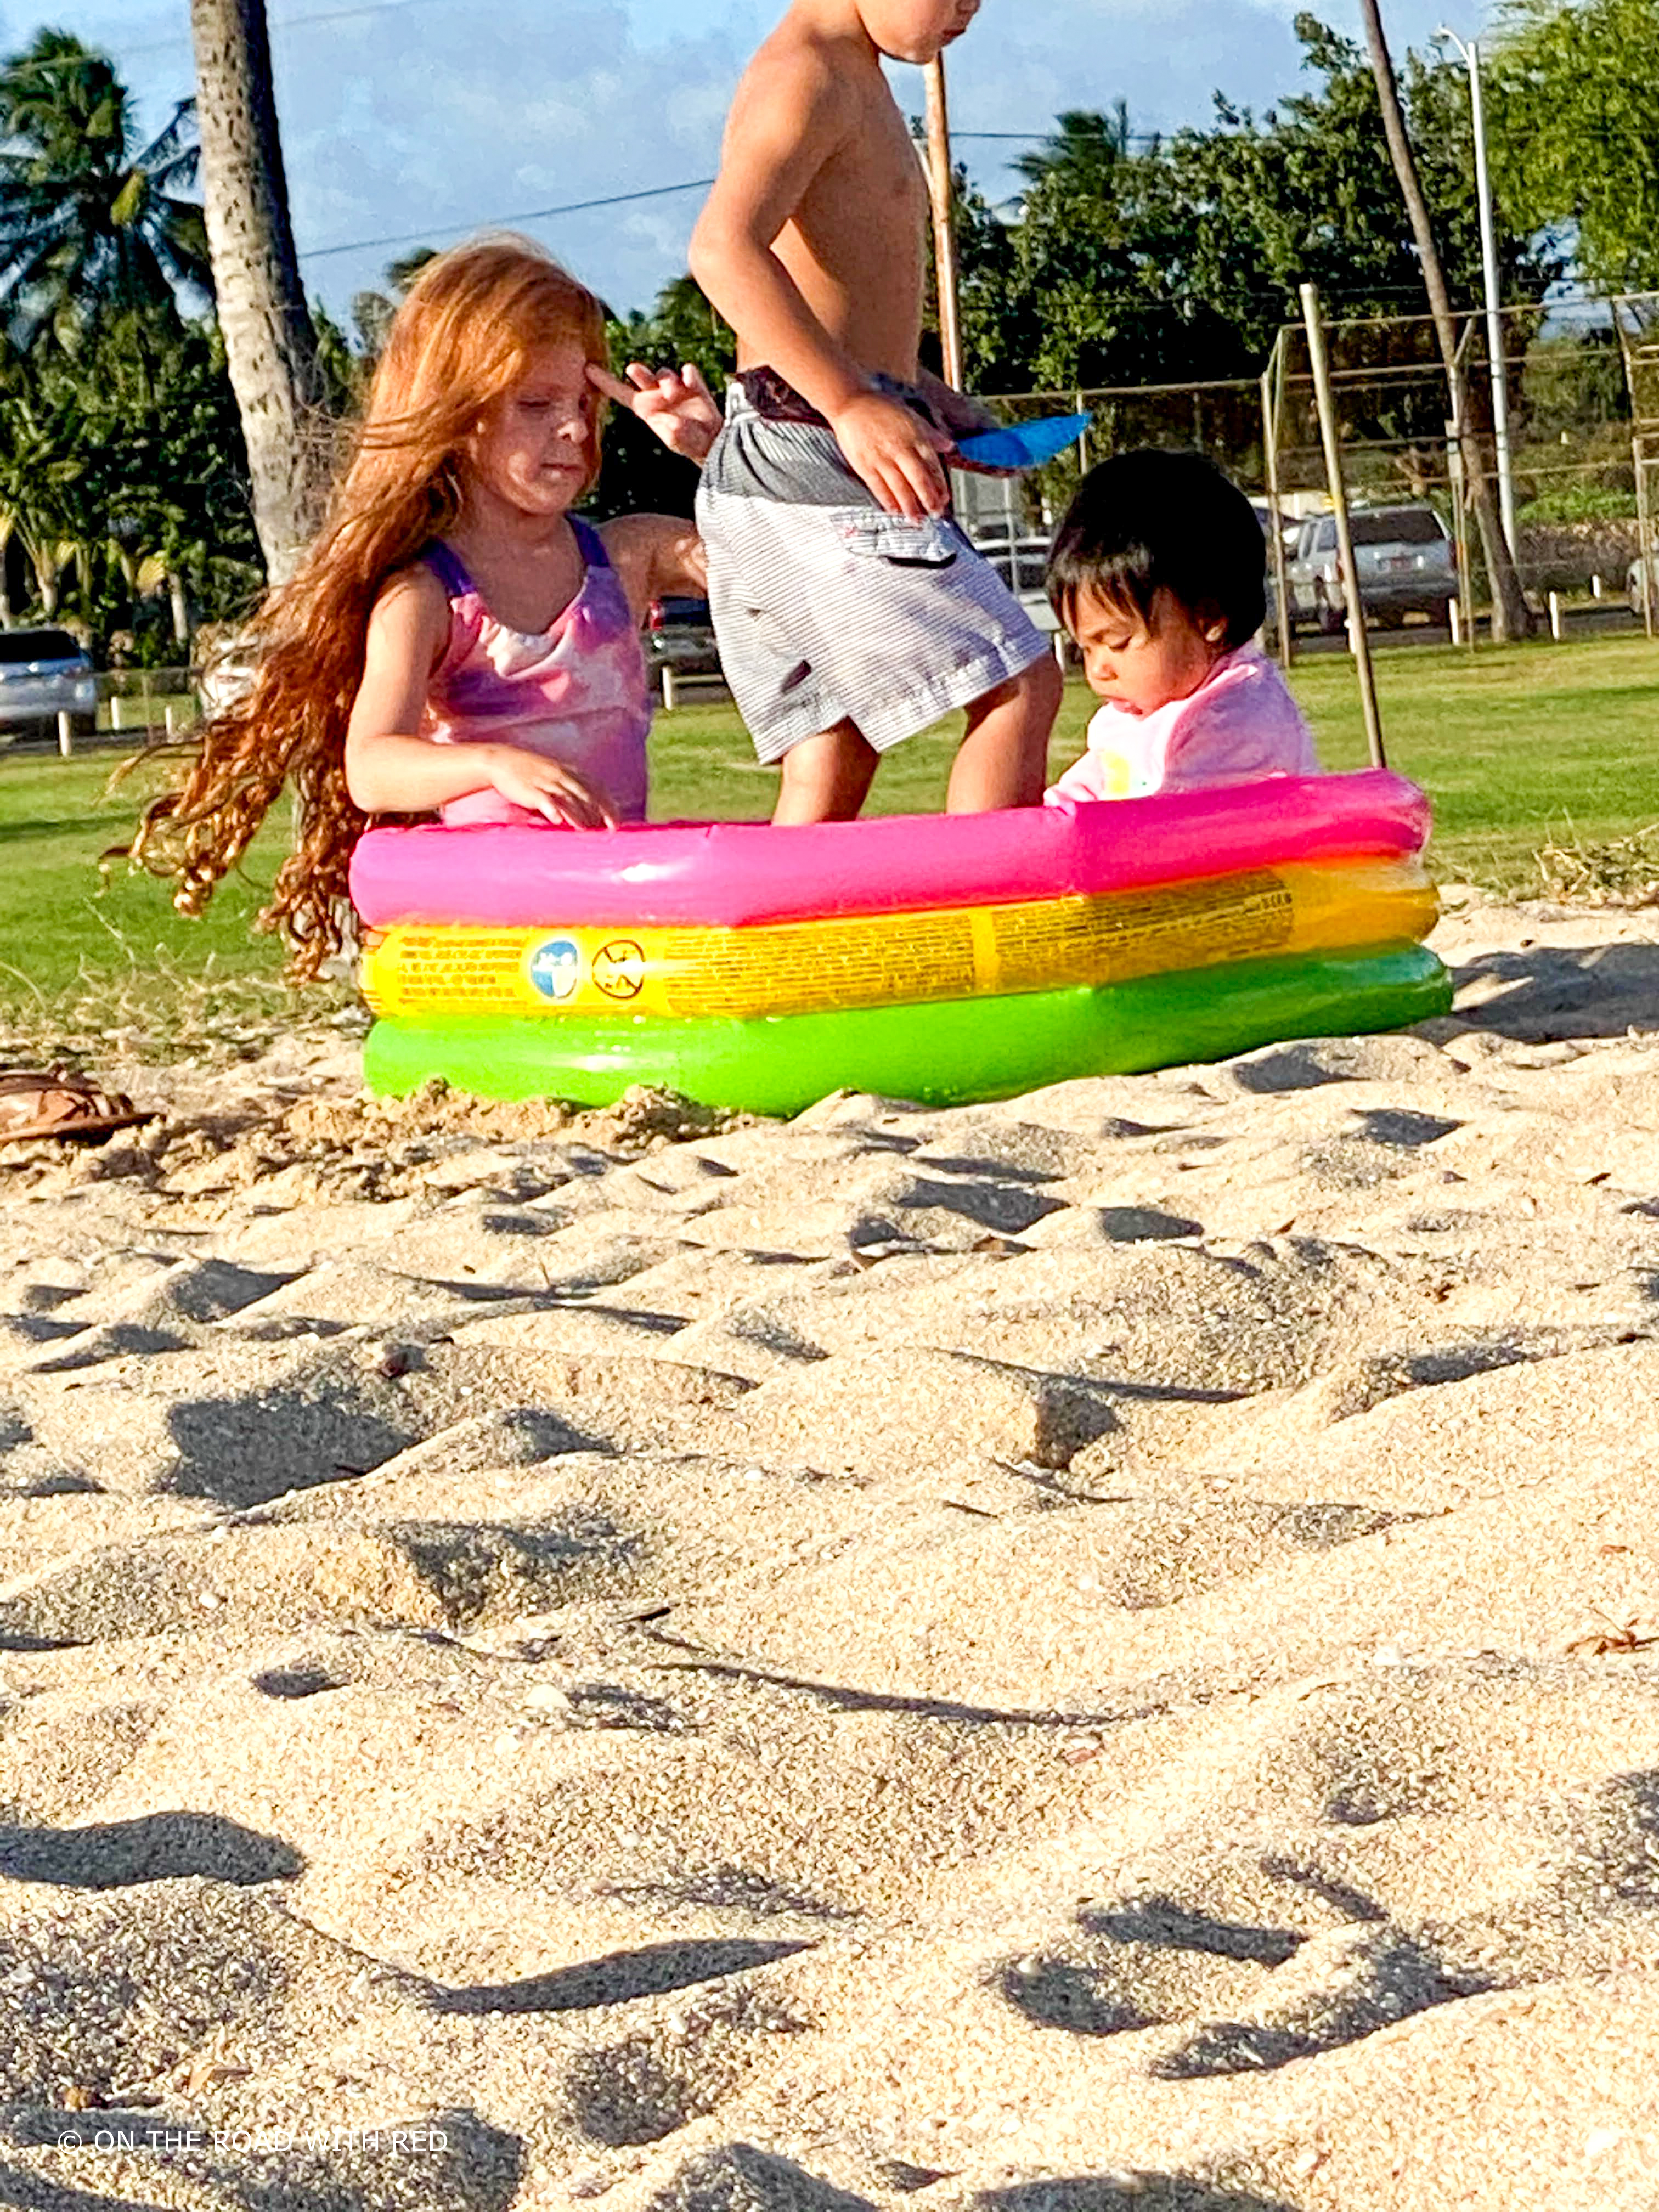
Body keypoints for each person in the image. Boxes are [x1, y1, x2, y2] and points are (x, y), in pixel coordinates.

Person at [123, 237, 720, 978]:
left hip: (612, 913)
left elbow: (784, 561)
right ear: (460, 414)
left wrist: (712, 452)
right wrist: (495, 765)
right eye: (537, 405)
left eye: (585, 403)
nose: (572, 428)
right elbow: (373, 765)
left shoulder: (626, 559)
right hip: (501, 930)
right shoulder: (429, 594)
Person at [687, 0, 1064, 825]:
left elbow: (839, 300)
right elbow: (721, 249)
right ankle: (994, 896)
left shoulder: (850, 74)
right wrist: (851, 402)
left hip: (781, 448)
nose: (969, 6)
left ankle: (790, 912)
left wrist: (920, 394)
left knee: (834, 744)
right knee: (1017, 683)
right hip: (806, 443)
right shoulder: (808, 75)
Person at [1045, 449, 1319, 805]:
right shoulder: (1134, 716)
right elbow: (1089, 786)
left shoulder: (1237, 717)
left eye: (1117, 643)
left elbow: (1183, 822)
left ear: (1209, 619)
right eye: (1084, 648)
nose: (1097, 670)